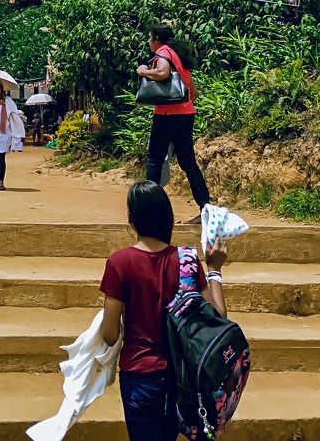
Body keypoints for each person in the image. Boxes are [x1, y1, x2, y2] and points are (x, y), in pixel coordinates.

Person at [101, 181, 227, 441]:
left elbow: (110, 334)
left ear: (131, 220)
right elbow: (218, 318)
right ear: (167, 217)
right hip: (179, 379)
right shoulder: (187, 261)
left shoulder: (120, 262)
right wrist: (214, 269)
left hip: (140, 375)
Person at [138, 23, 210, 223]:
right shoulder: (179, 56)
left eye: (150, 37)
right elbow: (193, 92)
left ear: (157, 40)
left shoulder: (162, 54)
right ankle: (206, 208)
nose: (148, 41)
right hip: (186, 114)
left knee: (154, 159)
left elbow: (161, 73)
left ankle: (150, 211)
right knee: (188, 162)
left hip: (166, 114)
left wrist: (143, 71)